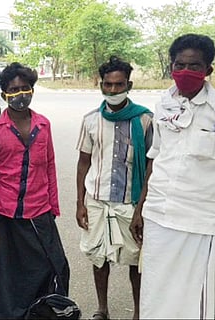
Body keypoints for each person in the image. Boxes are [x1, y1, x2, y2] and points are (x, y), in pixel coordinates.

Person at [130, 34, 215, 319]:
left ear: (208, 71)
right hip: (159, 217)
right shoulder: (164, 104)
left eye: (195, 66)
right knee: (157, 292)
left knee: (197, 301)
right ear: (171, 67)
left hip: (201, 222)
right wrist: (140, 209)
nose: (186, 72)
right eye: (180, 65)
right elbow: (155, 158)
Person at [0, 62, 70, 319]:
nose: (20, 94)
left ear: (32, 90)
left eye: (25, 88)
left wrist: (53, 207)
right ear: (3, 95)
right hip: (6, 215)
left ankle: (42, 312)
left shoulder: (43, 125)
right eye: (13, 89)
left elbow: (50, 166)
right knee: (7, 277)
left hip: (39, 212)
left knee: (54, 266)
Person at [76, 56, 153, 320]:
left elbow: (151, 167)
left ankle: (139, 311)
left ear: (128, 85)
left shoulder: (145, 120)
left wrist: (141, 209)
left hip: (130, 202)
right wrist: (79, 203)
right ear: (101, 85)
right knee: (99, 258)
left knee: (135, 260)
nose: (112, 90)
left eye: (118, 85)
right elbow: (83, 161)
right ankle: (102, 309)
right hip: (98, 200)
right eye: (107, 85)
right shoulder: (90, 120)